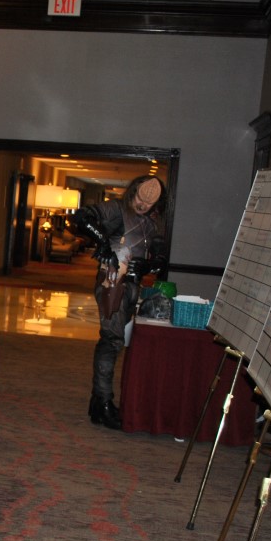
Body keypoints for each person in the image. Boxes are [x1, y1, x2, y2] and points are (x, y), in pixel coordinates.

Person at [75, 175, 168, 429]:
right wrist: (103, 242)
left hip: (133, 286)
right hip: (112, 282)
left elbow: (159, 253)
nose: (142, 205)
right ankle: (103, 403)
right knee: (111, 340)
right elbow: (82, 217)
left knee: (115, 342)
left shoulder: (154, 220)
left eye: (149, 203)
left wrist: (149, 264)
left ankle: (99, 402)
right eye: (139, 199)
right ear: (133, 191)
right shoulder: (117, 209)